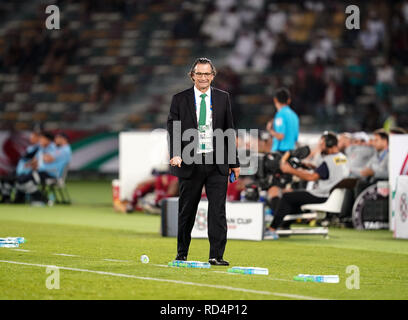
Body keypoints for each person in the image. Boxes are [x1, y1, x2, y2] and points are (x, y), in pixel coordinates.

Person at [167, 57, 240, 266]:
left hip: (217, 162)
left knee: (217, 210)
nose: (203, 77)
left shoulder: (223, 97)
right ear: (192, 76)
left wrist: (234, 162)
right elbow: (173, 129)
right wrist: (176, 152)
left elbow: (229, 130)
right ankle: (182, 254)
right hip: (190, 161)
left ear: (213, 76)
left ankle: (216, 255)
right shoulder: (179, 99)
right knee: (187, 210)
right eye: (199, 73)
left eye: (207, 73)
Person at [264, 131, 350, 239]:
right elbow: (329, 172)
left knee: (287, 197)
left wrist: (290, 170)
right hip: (332, 195)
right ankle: (284, 227)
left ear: (329, 144)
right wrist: (308, 166)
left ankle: (272, 229)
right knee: (294, 200)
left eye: (322, 144)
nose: (320, 146)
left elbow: (312, 177)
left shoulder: (328, 160)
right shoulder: (342, 157)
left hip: (322, 195)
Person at [265, 87, 299, 217]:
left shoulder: (280, 115)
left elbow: (280, 136)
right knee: (286, 188)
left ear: (275, 100)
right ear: (289, 100)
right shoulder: (294, 116)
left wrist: (270, 130)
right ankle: (290, 216)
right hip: (290, 153)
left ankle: (279, 217)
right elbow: (295, 138)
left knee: (273, 187)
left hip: (279, 154)